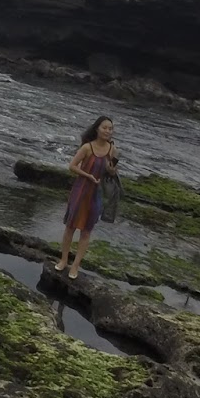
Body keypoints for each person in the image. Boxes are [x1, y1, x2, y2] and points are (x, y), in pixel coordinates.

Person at [54, 116, 118, 279]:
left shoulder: (112, 149)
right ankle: (63, 260)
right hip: (81, 191)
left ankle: (75, 265)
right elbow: (72, 166)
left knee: (87, 231)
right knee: (70, 227)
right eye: (104, 128)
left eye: (110, 129)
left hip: (96, 194)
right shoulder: (87, 148)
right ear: (97, 128)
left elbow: (111, 172)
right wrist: (88, 175)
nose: (107, 131)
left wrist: (111, 171)